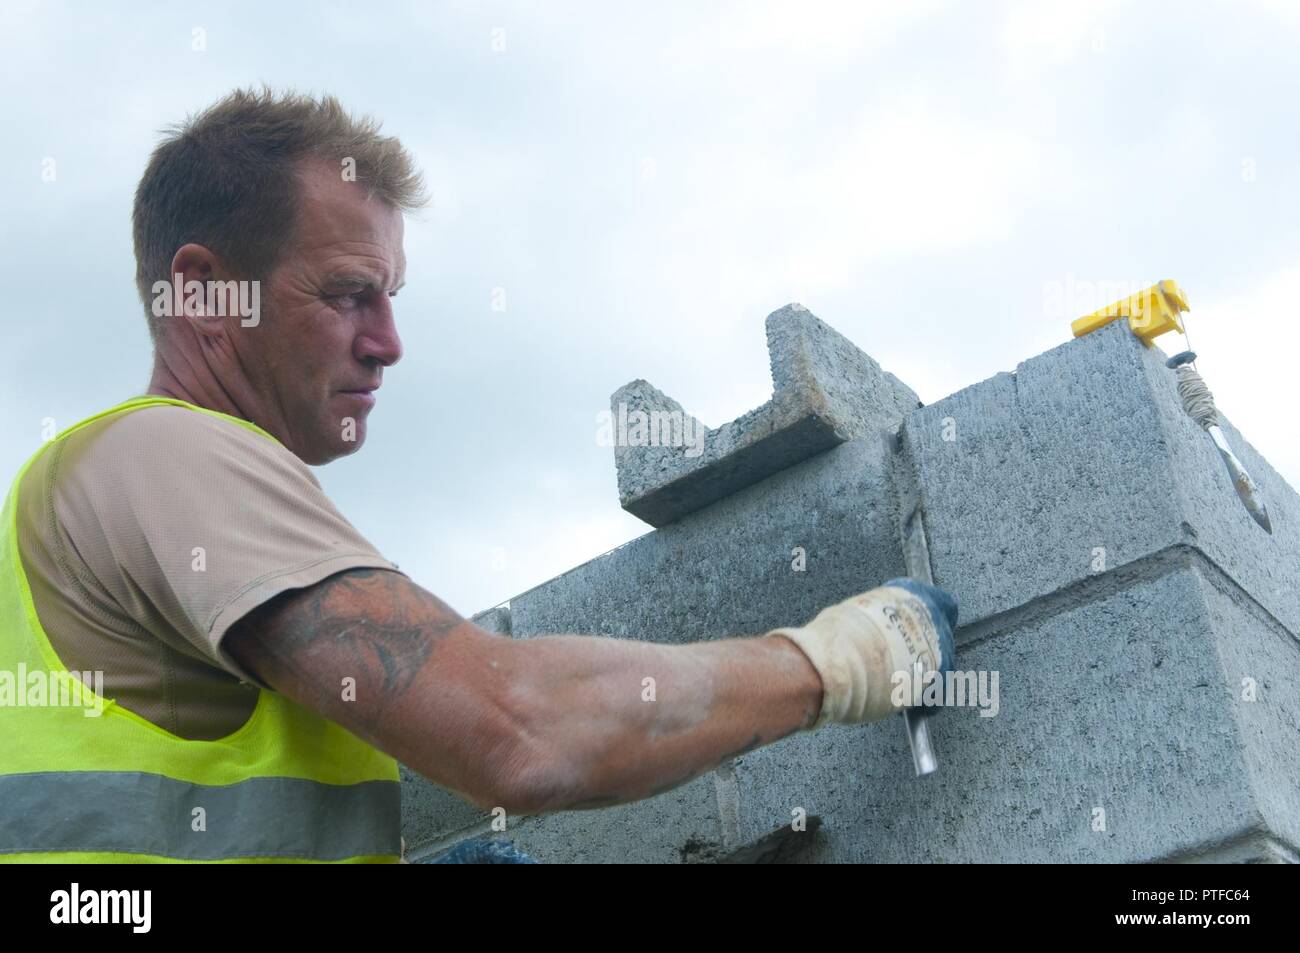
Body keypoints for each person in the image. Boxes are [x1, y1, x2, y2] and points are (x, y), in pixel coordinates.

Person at [0, 88, 957, 864]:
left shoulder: (97, 495)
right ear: (205, 293)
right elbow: (519, 730)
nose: (387, 345)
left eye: (391, 297)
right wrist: (845, 657)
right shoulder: (166, 457)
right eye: (347, 295)